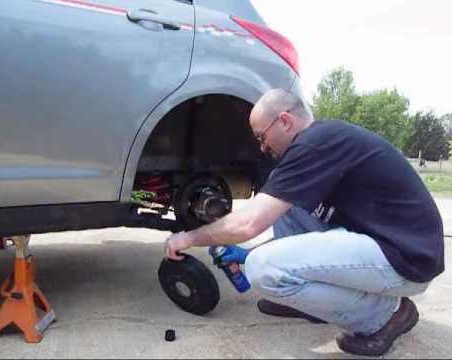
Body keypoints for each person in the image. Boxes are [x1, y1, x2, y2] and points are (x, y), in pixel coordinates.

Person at [164, 88, 444, 356]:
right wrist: (248, 250)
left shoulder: (317, 142)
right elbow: (268, 210)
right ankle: (309, 303)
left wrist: (188, 238)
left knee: (264, 269)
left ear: (284, 121)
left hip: (406, 258)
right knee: (283, 202)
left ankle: (387, 315)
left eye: (262, 137)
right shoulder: (318, 143)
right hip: (377, 241)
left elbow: (248, 225)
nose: (262, 148)